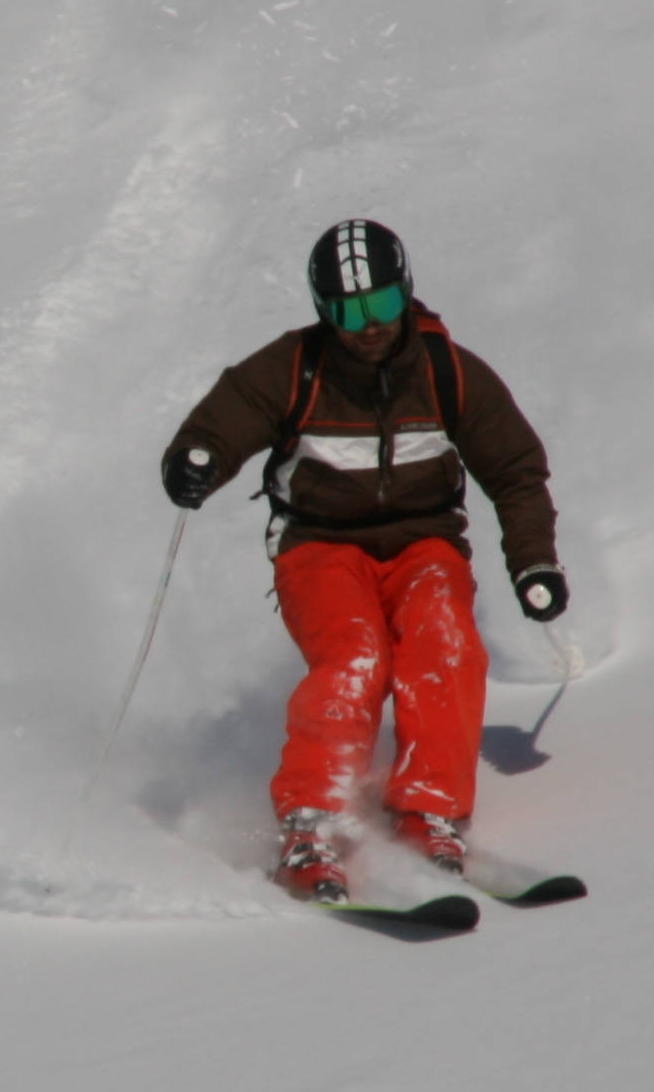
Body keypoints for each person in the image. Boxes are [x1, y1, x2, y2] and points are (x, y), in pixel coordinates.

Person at [158, 218, 565, 903]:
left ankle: (428, 808)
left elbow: (516, 469)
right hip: (320, 547)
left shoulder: (446, 371)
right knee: (354, 657)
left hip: (424, 543)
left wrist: (534, 564)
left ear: (405, 293)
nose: (369, 326)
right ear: (324, 311)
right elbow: (224, 419)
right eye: (349, 312)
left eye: (382, 305)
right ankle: (310, 825)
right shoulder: (296, 367)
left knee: (446, 643)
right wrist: (197, 459)